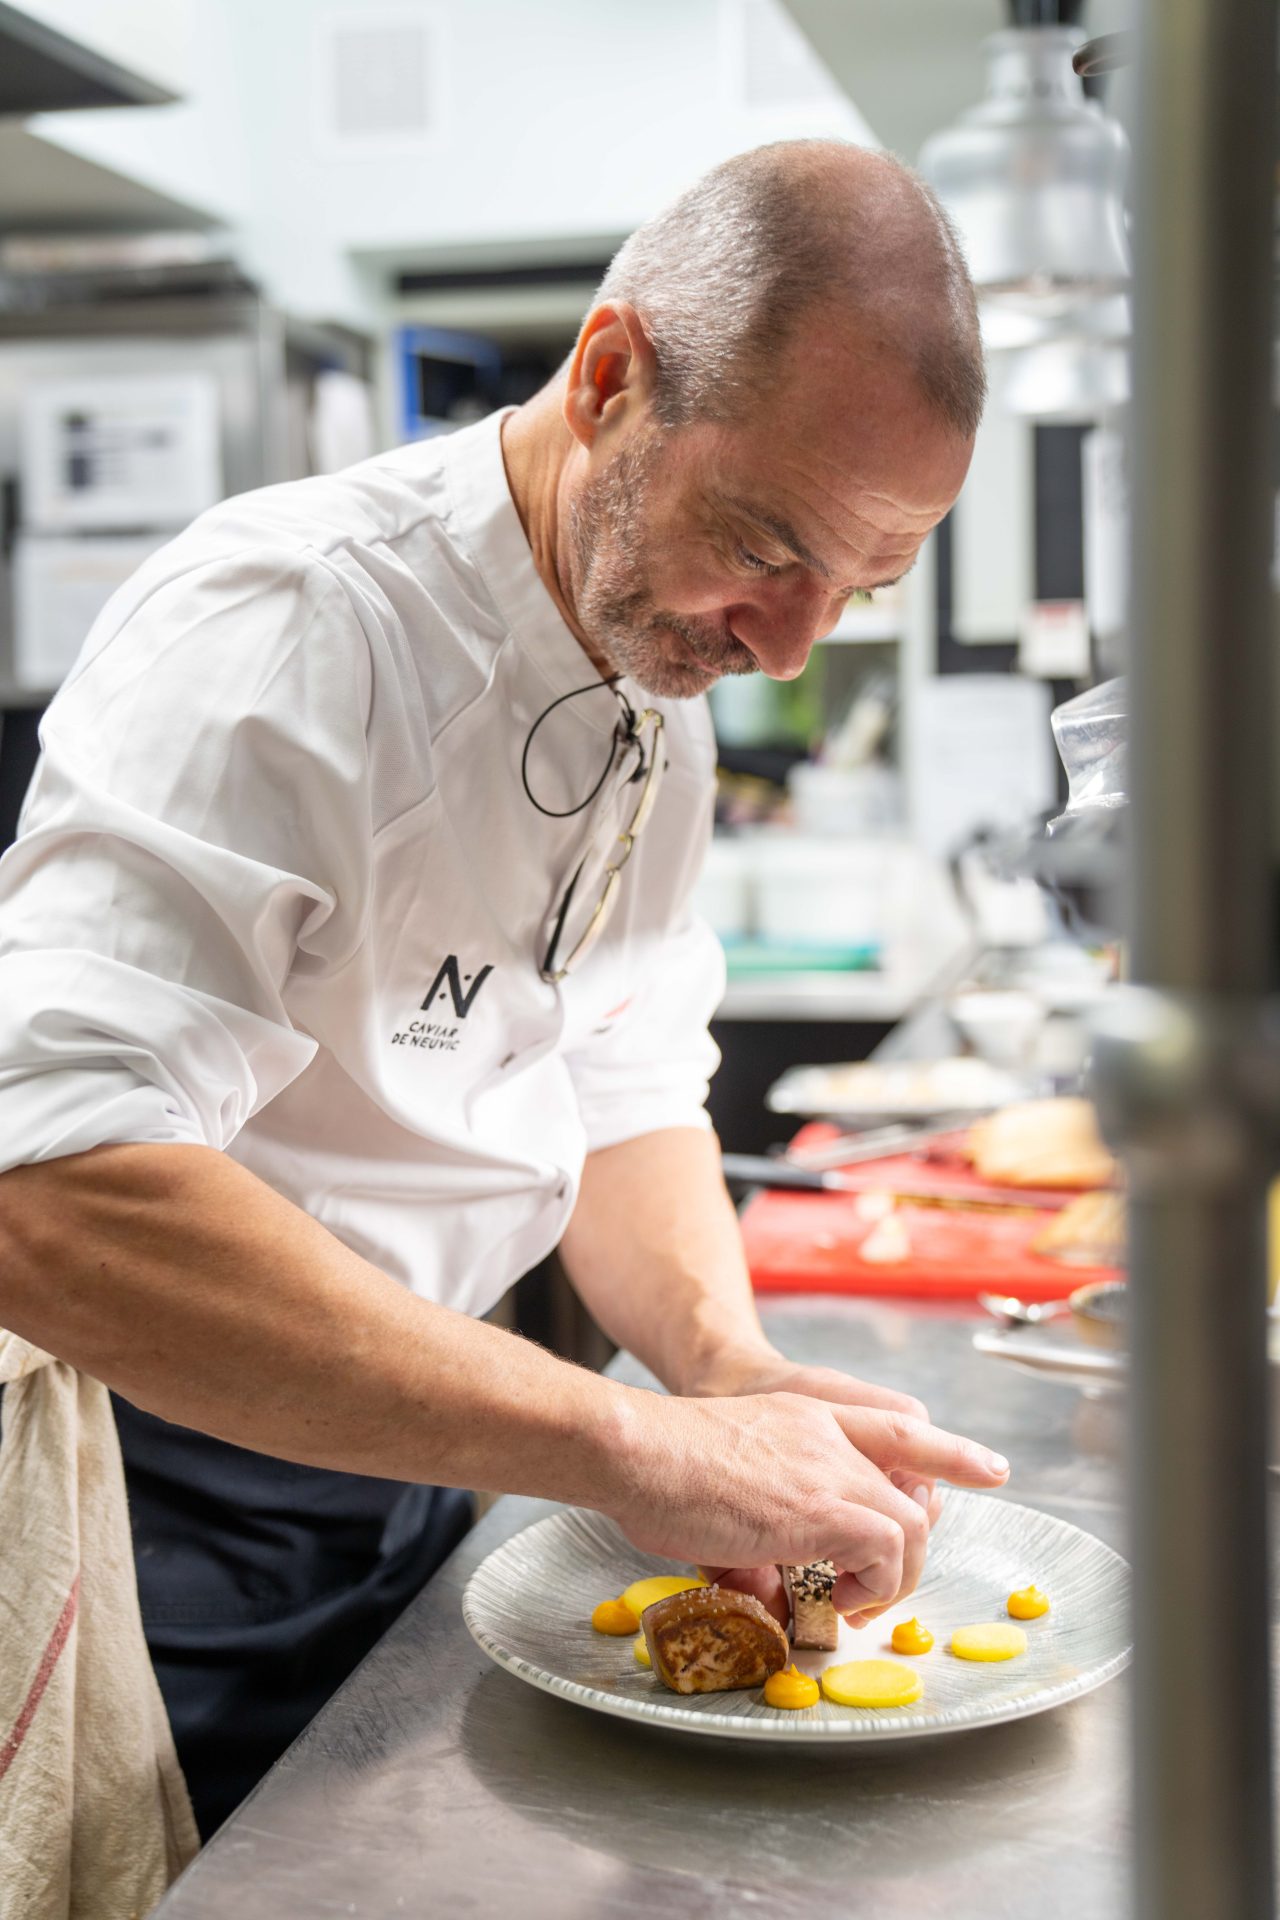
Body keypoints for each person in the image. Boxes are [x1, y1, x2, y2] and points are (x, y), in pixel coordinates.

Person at [0, 139, 1004, 1840]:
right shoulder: (293, 626)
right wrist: (634, 1452)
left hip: (427, 1440)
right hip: (163, 1485)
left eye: (866, 585)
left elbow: (617, 1078)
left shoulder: (652, 681)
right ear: (609, 377)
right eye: (769, 544)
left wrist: (721, 1370)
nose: (790, 649)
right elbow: (47, 1180)